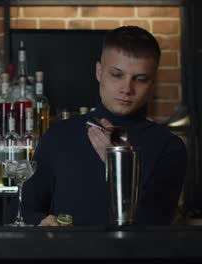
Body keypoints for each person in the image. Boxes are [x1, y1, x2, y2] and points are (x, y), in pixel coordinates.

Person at [20, 26, 187, 226]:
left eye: (140, 79)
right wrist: (40, 222)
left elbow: (155, 225)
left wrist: (119, 165)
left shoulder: (169, 147)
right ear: (99, 72)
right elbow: (20, 211)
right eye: (117, 75)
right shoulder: (58, 135)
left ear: (152, 83)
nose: (127, 89)